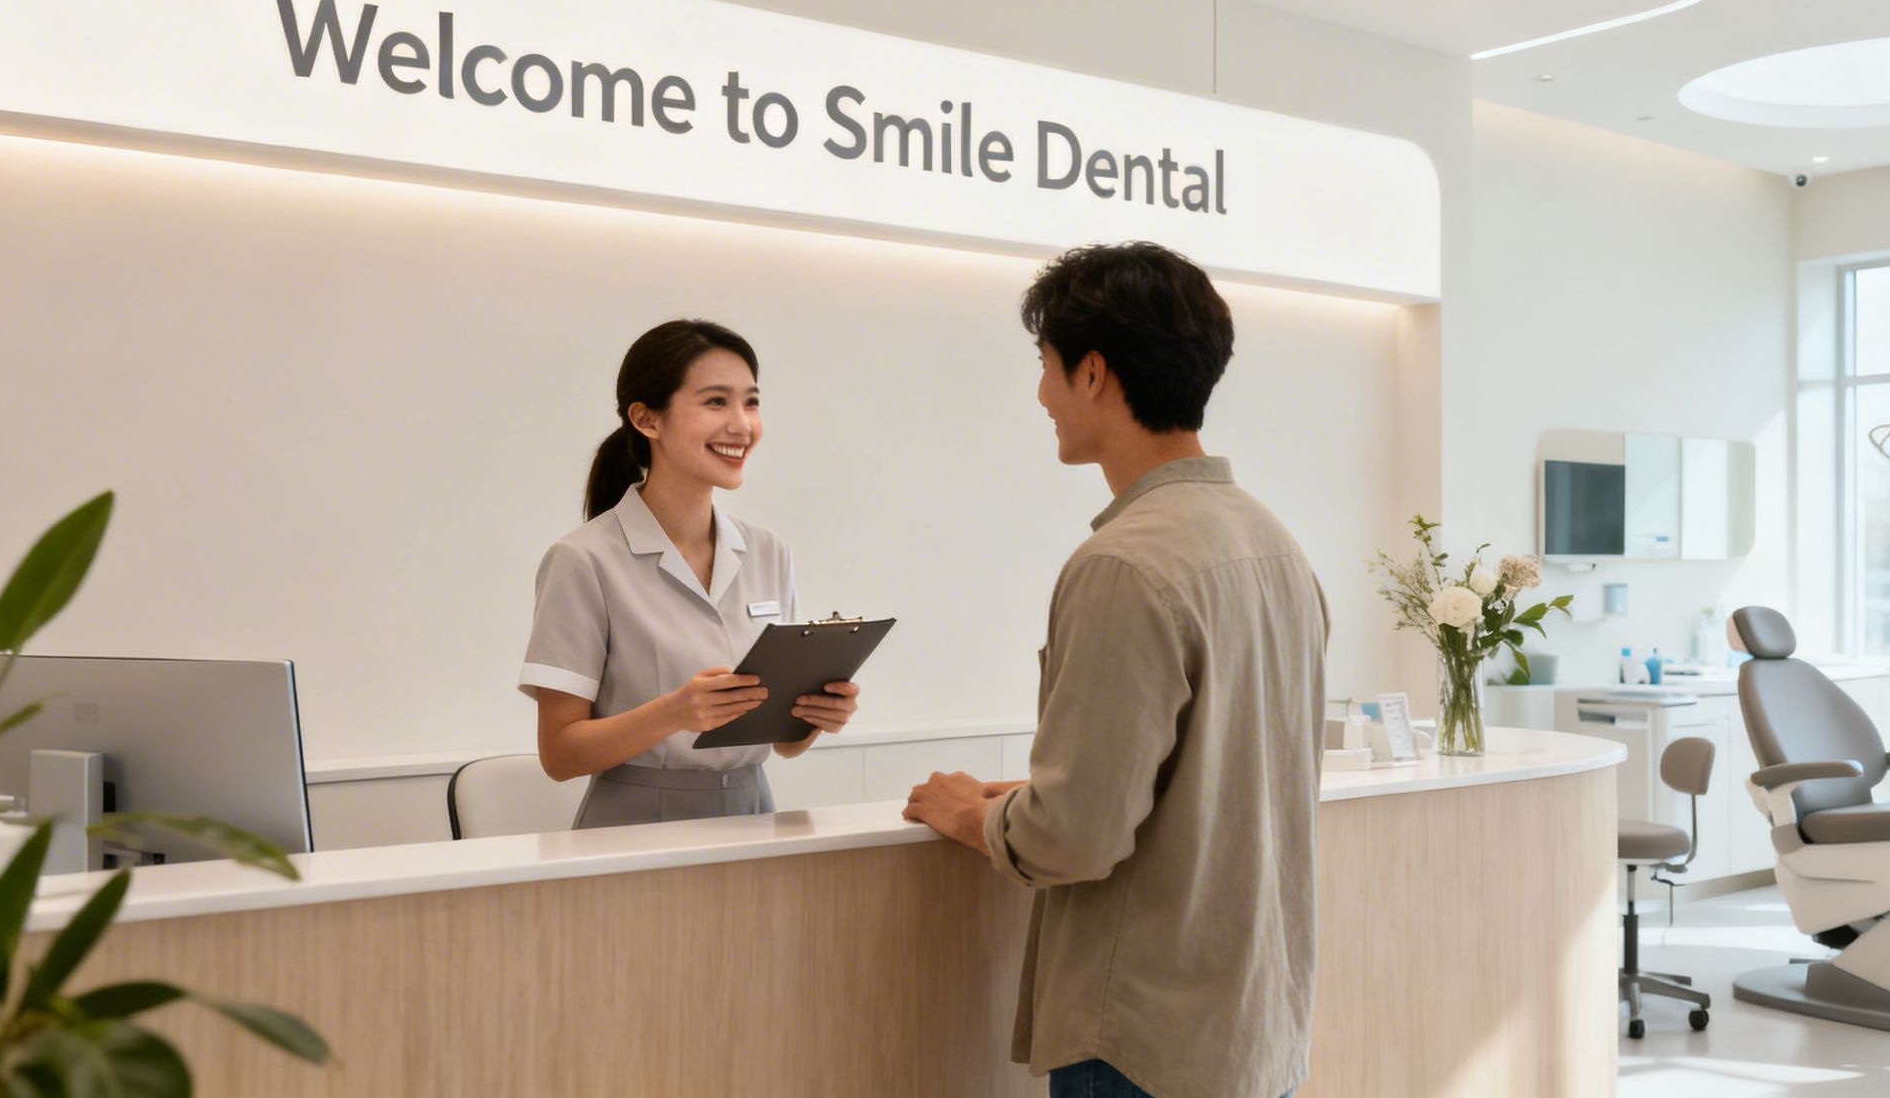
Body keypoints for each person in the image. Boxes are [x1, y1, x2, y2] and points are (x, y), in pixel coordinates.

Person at [903, 244, 1328, 1098]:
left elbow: (1076, 837)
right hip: (1254, 1034)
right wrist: (1032, 795)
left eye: (1047, 367)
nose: (1041, 396)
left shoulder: (1124, 564)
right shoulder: (1277, 546)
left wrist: (970, 817)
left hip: (1143, 1042)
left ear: (1092, 372)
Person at [520, 319, 859, 828]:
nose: (742, 425)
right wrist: (673, 713)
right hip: (633, 827)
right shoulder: (583, 560)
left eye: (751, 402)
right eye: (716, 402)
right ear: (647, 419)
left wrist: (814, 717)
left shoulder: (769, 552)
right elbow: (560, 755)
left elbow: (783, 744)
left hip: (753, 816)